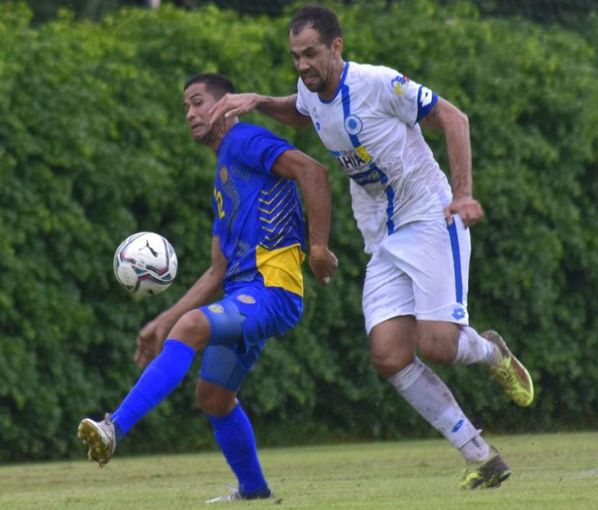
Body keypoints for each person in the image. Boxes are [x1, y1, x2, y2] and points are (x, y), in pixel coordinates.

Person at [208, 5, 534, 489]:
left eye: (311, 54)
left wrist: (463, 194)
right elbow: (302, 114)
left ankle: (491, 352)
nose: (302, 65)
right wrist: (258, 101)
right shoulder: (309, 89)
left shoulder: (378, 83)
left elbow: (454, 117)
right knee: (388, 356)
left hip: (429, 216)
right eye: (296, 56)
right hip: (381, 236)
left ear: (336, 47)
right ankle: (481, 456)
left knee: (439, 345)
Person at [77, 72, 338, 503]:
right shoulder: (223, 174)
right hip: (244, 293)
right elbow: (217, 271)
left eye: (198, 102)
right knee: (214, 396)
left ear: (225, 104)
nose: (191, 113)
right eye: (185, 107)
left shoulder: (245, 141)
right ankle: (253, 490)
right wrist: (162, 320)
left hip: (272, 290)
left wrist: (318, 247)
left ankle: (113, 428)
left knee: (191, 328)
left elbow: (313, 172)